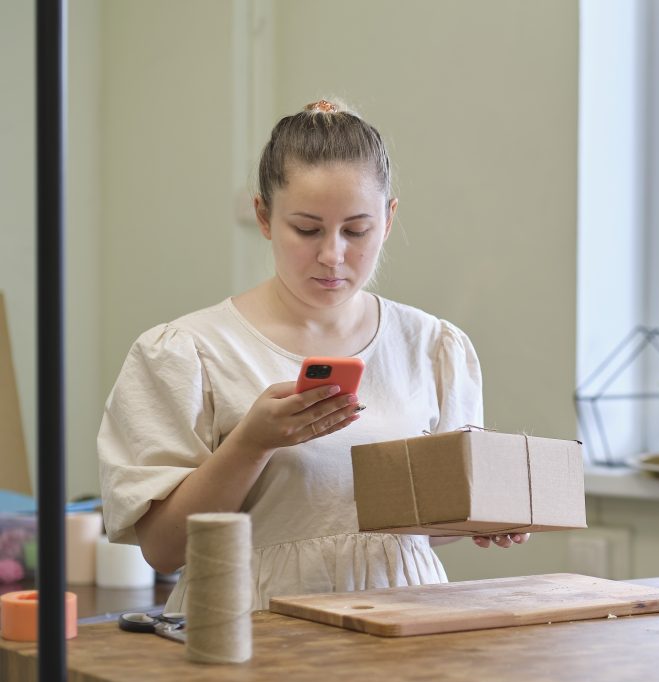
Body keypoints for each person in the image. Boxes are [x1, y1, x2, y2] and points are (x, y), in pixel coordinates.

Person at [98, 99, 528, 612]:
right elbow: (164, 549)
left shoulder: (433, 346)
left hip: (404, 621)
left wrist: (483, 517)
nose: (332, 255)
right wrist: (250, 445)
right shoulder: (188, 352)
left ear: (388, 220)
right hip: (249, 625)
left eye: (356, 230)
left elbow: (417, 533)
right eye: (307, 229)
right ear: (264, 216)